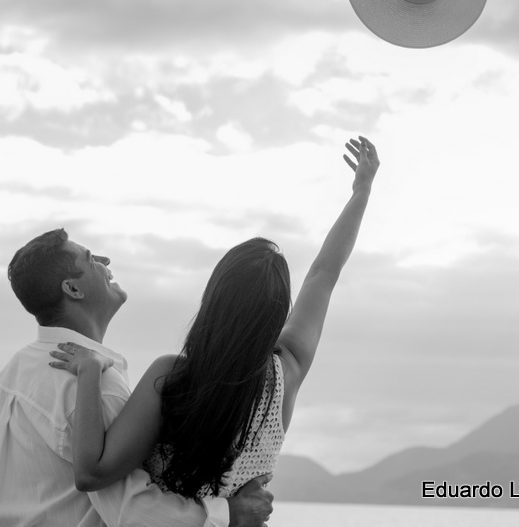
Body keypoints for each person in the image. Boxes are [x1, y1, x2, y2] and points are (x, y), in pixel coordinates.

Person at [47, 136, 379, 502]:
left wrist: (89, 371)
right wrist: (362, 191)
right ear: (277, 314)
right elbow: (324, 274)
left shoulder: (171, 378)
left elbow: (92, 473)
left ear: (214, 298)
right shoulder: (287, 371)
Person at [0, 226, 275, 527]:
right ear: (73, 289)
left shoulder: (6, 379)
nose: (105, 261)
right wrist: (230, 515)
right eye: (91, 258)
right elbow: (131, 512)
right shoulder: (94, 385)